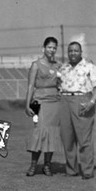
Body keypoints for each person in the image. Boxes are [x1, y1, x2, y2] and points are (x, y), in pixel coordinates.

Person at [59, 41, 96, 179]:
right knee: (67, 138)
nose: (73, 53)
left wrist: (91, 101)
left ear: (81, 52)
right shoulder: (63, 68)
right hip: (65, 100)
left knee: (84, 139)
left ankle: (87, 171)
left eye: (76, 50)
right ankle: (71, 170)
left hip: (82, 100)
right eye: (70, 51)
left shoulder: (89, 67)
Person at [25, 37, 62, 176]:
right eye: (49, 47)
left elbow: (61, 84)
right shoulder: (36, 65)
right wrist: (27, 104)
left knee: (51, 134)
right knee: (38, 133)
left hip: (54, 103)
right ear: (44, 48)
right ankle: (33, 165)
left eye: (54, 48)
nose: (52, 50)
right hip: (38, 102)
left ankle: (47, 165)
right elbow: (30, 86)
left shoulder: (57, 66)